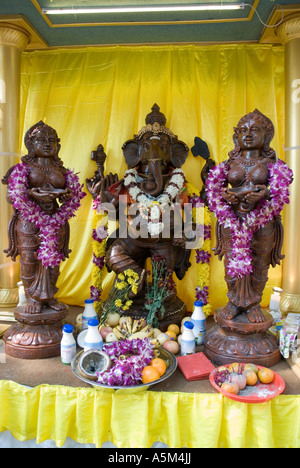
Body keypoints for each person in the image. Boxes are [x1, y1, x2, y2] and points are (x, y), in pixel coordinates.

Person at [206, 109, 293, 323]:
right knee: (231, 262)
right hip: (231, 219)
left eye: (255, 130)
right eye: (243, 130)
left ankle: (253, 304)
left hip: (262, 221)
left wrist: (266, 193)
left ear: (266, 136)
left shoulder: (273, 164)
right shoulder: (228, 164)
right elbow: (213, 190)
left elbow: (282, 188)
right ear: (236, 136)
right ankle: (233, 302)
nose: (248, 134)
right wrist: (225, 195)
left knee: (258, 262)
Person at [2, 121, 85, 314]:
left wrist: (66, 197)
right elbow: (10, 196)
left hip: (55, 218)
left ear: (58, 145)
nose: (47, 144)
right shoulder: (22, 169)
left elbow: (73, 197)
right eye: (41, 140)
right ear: (31, 145)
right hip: (29, 221)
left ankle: (49, 297)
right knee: (30, 259)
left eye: (51, 140)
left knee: (53, 261)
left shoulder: (63, 171)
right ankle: (33, 298)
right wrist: (31, 194)